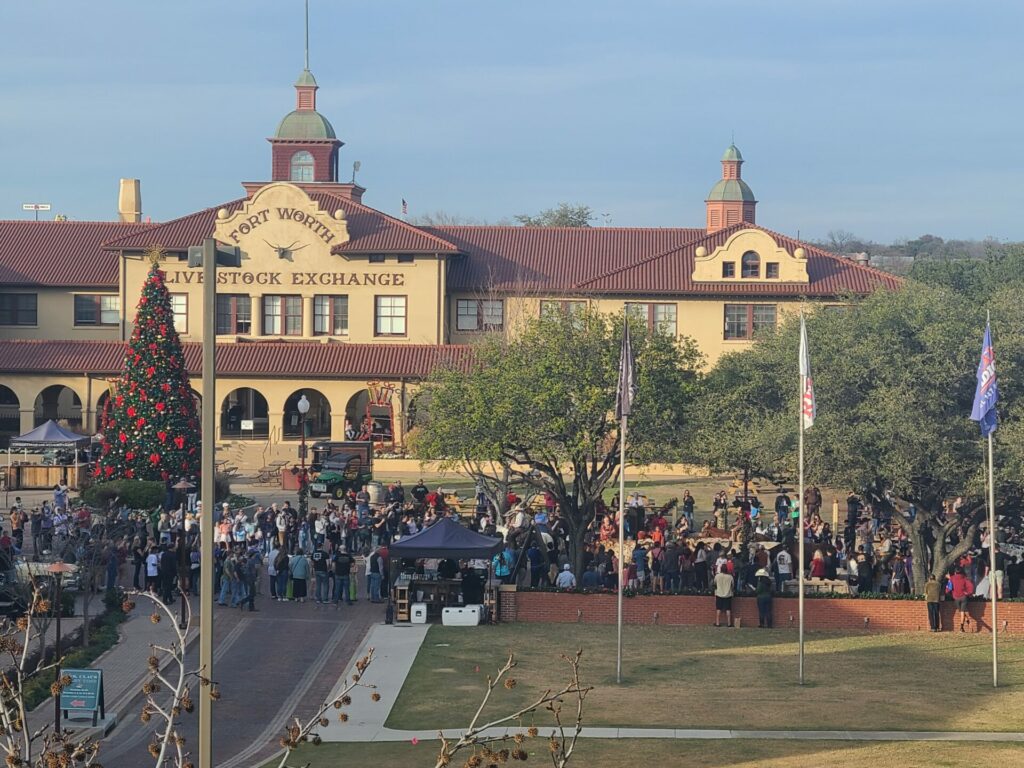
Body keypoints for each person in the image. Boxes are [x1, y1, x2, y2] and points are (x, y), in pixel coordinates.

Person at [948, 566, 974, 632]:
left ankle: (963, 626)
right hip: (963, 597)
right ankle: (966, 623)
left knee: (961, 612)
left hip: (956, 597)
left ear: (955, 572)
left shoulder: (952, 578)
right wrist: (968, 593)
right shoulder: (964, 578)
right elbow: (970, 586)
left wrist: (947, 592)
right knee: (963, 612)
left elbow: (949, 588)